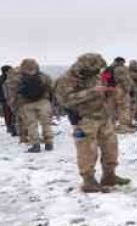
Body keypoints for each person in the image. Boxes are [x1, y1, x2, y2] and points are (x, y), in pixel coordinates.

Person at [55, 53, 130, 193]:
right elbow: (65, 100)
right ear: (85, 66)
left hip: (104, 117)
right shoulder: (66, 80)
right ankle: (88, 181)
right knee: (87, 151)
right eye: (95, 69)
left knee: (111, 148)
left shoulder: (94, 76)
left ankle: (109, 176)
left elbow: (100, 92)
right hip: (84, 119)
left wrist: (109, 92)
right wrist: (92, 92)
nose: (98, 71)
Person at [16, 58, 54, 153]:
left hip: (26, 104)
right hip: (43, 102)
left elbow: (14, 92)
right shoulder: (44, 76)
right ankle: (49, 143)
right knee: (46, 123)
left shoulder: (19, 78)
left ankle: (35, 145)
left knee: (31, 125)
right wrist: (52, 102)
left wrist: (16, 105)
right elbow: (51, 89)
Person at [102, 57, 135, 133]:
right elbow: (125, 80)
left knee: (111, 109)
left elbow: (104, 80)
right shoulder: (121, 69)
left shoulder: (108, 69)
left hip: (110, 90)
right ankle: (123, 126)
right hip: (120, 90)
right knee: (123, 108)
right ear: (121, 62)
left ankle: (110, 126)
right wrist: (129, 90)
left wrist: (105, 92)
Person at [5, 67, 26, 143]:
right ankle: (24, 135)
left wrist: (10, 102)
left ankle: (21, 136)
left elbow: (7, 93)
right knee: (23, 119)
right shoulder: (19, 80)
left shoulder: (8, 81)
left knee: (17, 118)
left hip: (13, 101)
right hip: (20, 101)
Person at [0, 65, 16, 136]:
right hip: (5, 100)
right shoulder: (4, 79)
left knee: (9, 114)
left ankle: (11, 127)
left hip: (4, 99)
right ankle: (11, 128)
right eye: (11, 69)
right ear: (7, 71)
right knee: (9, 114)